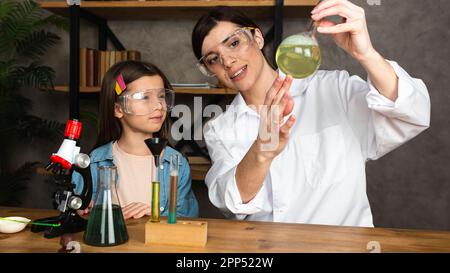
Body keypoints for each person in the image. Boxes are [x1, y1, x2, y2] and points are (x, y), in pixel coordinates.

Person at [191, 3, 430, 226]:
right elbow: (231, 203)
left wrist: (366, 54)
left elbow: (412, 112)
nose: (228, 61)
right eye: (213, 59)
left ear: (257, 37)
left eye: (233, 43)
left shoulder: (333, 89)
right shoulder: (220, 129)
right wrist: (261, 151)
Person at [73, 60, 199, 219]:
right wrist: (82, 212)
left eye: (161, 96)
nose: (159, 106)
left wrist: (157, 216)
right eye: (145, 97)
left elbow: (188, 219)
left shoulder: (176, 163)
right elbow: (74, 214)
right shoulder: (92, 163)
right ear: (119, 109)